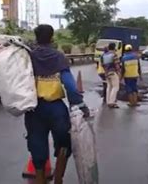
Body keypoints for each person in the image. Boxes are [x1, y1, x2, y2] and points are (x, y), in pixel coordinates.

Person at [27, 24, 90, 184]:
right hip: (56, 109)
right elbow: (69, 84)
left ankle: (40, 179)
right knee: (63, 143)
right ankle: (58, 179)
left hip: (34, 109)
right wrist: (80, 104)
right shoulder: (58, 57)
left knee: (36, 143)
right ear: (52, 38)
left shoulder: (30, 56)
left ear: (36, 37)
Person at [101, 43, 121, 108]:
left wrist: (106, 71)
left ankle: (108, 101)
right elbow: (117, 65)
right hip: (113, 72)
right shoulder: (114, 55)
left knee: (109, 87)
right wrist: (119, 72)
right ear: (114, 47)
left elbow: (102, 64)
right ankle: (112, 102)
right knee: (115, 87)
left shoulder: (103, 55)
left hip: (106, 73)